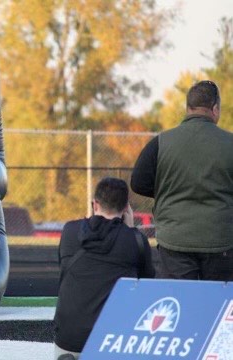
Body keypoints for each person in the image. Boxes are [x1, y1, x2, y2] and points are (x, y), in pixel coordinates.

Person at [131, 80, 233, 281]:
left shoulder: (161, 142)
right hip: (221, 240)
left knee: (179, 302)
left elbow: (138, 182)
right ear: (215, 109)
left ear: (188, 108)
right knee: (216, 305)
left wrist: (168, 191)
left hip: (174, 240)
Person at [52, 177, 155, 359]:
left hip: (69, 338)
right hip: (112, 340)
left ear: (95, 204)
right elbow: (143, 286)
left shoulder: (69, 231)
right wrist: (130, 229)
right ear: (125, 209)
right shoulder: (135, 241)